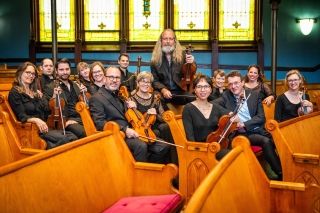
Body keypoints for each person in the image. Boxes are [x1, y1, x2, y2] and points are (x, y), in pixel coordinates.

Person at [89, 66, 169, 163]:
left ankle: (145, 169)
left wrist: (129, 106)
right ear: (105, 78)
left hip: (133, 131)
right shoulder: (97, 98)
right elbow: (100, 124)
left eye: (117, 78)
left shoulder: (120, 95)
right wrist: (125, 129)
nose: (115, 80)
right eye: (111, 77)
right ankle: (140, 175)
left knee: (164, 147)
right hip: (118, 135)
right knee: (141, 145)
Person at [213, 70, 282, 180]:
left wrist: (244, 124)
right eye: (230, 84)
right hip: (240, 134)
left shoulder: (254, 95)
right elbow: (213, 104)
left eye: (236, 83)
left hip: (254, 129)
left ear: (242, 82)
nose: (233, 86)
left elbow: (261, 117)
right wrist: (229, 113)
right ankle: (279, 173)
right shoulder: (226, 96)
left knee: (278, 141)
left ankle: (281, 172)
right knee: (265, 141)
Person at [8, 62, 78, 149]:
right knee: (63, 139)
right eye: (28, 72)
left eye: (33, 73)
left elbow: (46, 109)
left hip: (45, 126)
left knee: (73, 137)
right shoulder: (15, 93)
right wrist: (36, 120)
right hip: (33, 129)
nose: (31, 75)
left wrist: (54, 96)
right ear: (20, 73)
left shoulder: (34, 92)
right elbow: (21, 116)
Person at [131, 71, 177, 165]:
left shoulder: (155, 98)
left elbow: (164, 118)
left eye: (148, 82)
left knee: (165, 129)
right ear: (138, 83)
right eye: (143, 81)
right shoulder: (131, 100)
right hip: (139, 130)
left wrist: (156, 115)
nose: (145, 84)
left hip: (153, 127)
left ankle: (168, 162)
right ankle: (148, 166)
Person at [182, 75, 230, 160]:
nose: (203, 90)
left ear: (211, 89)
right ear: (194, 90)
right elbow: (190, 138)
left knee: (237, 153)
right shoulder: (188, 108)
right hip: (200, 150)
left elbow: (221, 130)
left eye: (206, 86)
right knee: (231, 157)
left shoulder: (216, 108)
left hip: (215, 147)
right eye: (199, 87)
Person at [43, 58, 87, 139]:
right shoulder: (50, 87)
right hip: (67, 121)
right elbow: (45, 109)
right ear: (56, 71)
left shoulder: (76, 85)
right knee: (84, 133)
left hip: (82, 117)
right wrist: (53, 97)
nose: (65, 72)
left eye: (67, 69)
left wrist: (85, 93)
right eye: (61, 70)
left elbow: (84, 103)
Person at [150, 28, 196, 105]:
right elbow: (155, 81)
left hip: (180, 90)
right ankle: (167, 116)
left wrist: (192, 62)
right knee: (154, 98)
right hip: (162, 91)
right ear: (161, 41)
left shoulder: (183, 54)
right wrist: (163, 89)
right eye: (165, 39)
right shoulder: (154, 60)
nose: (168, 41)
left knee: (192, 98)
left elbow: (192, 70)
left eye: (170, 39)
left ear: (174, 41)